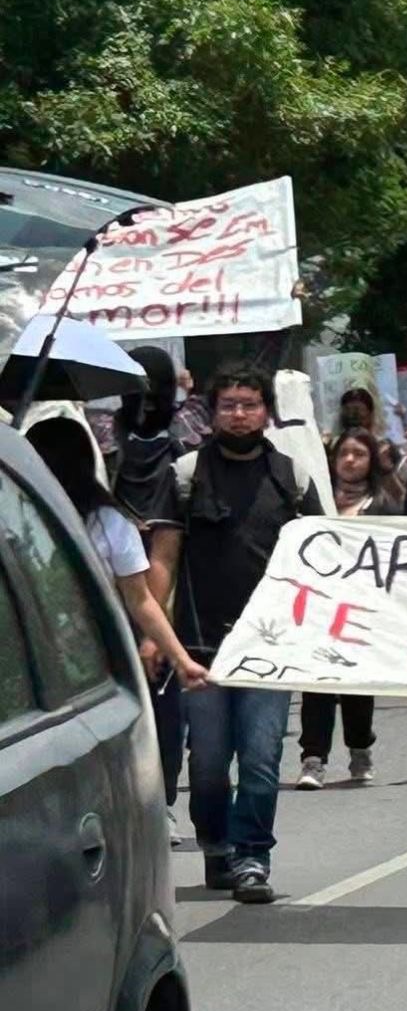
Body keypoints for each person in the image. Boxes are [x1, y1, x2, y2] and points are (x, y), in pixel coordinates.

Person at [162, 365, 325, 903]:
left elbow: (326, 557)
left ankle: (252, 857)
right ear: (212, 413)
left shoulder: (291, 477)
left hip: (270, 649)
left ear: (267, 412)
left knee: (260, 758)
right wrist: (157, 634)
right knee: (208, 763)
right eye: (228, 404)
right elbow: (163, 560)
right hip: (201, 647)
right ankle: (216, 847)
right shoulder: (185, 475)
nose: (239, 414)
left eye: (249, 404)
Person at [26, 418, 209, 694]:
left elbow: (140, 600)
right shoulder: (15, 514)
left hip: (89, 663)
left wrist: (181, 661)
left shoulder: (109, 524)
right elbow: (140, 600)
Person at [112, 345, 193, 840]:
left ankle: (161, 800)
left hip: (163, 592)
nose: (144, 400)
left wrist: (152, 629)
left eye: (152, 387)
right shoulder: (106, 450)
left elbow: (169, 548)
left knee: (164, 702)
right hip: (107, 589)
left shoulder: (183, 455)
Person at [296, 429, 401, 791]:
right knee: (316, 684)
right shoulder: (315, 500)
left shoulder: (382, 505)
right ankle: (313, 758)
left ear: (371, 461)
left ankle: (360, 747)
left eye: (359, 454)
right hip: (318, 606)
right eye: (344, 453)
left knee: (356, 686)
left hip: (362, 609)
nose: (350, 461)